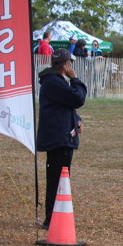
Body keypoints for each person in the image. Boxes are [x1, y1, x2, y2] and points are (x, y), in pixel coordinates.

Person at [36, 48, 86, 230]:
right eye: (69, 64)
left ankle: (55, 216)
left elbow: (65, 105)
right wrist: (75, 79)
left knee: (58, 178)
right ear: (65, 65)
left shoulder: (54, 81)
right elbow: (77, 98)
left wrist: (76, 119)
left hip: (60, 135)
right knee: (58, 180)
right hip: (59, 137)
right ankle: (52, 218)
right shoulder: (54, 82)